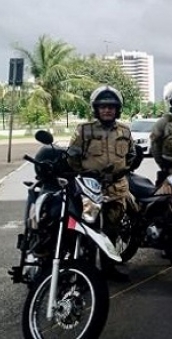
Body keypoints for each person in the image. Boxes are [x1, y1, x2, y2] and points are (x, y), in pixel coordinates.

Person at [67, 85, 135, 282]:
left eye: (111, 106)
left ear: (117, 109)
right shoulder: (84, 130)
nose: (107, 110)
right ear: (96, 108)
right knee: (88, 229)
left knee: (112, 231)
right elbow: (72, 157)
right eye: (103, 106)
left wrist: (120, 171)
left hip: (116, 188)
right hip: (90, 190)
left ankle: (109, 268)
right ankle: (85, 272)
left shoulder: (124, 130)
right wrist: (85, 174)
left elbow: (131, 156)